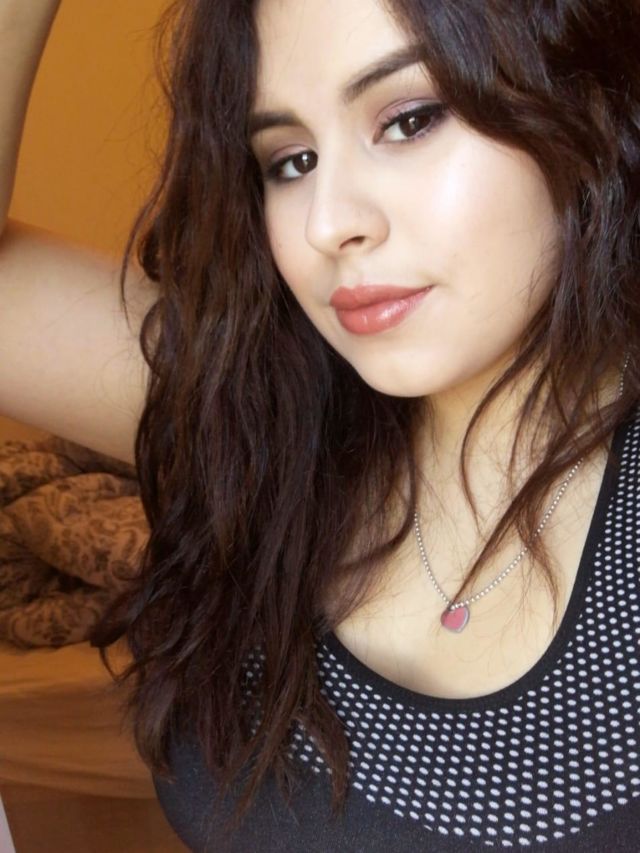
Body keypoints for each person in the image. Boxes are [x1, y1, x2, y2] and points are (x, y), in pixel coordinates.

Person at [2, 0, 639, 850]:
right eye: (291, 160)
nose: (328, 222)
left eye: (409, 121)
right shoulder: (263, 416)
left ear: (584, 98)